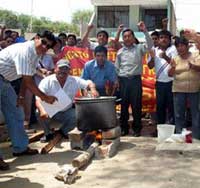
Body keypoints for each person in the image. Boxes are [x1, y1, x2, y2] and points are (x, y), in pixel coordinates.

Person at [0, 30, 57, 170]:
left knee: (16, 113)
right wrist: (45, 97)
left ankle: (20, 148)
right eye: (43, 42)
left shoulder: (35, 55)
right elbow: (28, 81)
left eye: (48, 46)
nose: (44, 47)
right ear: (36, 38)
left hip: (6, 82)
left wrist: (20, 96)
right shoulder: (25, 50)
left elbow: (27, 78)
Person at [36, 59, 99, 142]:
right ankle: (48, 133)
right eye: (61, 68)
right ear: (55, 69)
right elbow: (38, 98)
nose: (63, 71)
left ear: (69, 71)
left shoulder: (74, 80)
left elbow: (89, 82)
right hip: (50, 110)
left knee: (80, 115)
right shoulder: (47, 81)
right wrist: (42, 111)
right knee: (38, 112)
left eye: (66, 69)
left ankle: (62, 132)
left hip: (66, 111)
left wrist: (93, 89)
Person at [115, 21, 153, 136]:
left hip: (135, 80)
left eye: (129, 36)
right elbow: (117, 68)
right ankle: (124, 128)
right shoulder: (120, 52)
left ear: (133, 37)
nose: (127, 38)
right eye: (125, 36)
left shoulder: (139, 48)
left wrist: (145, 31)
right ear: (123, 39)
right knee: (124, 106)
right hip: (123, 81)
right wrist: (117, 81)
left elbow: (150, 45)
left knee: (136, 106)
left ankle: (137, 129)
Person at [168, 37, 200, 139]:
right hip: (178, 90)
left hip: (194, 90)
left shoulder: (195, 55)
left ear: (187, 46)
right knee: (178, 114)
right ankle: (180, 137)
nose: (180, 48)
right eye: (177, 46)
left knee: (195, 114)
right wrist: (173, 67)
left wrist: (193, 66)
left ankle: (196, 137)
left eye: (182, 45)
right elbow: (169, 74)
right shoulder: (175, 59)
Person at [148, 30, 177, 125]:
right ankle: (160, 129)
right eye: (161, 37)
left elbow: (176, 64)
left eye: (166, 38)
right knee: (160, 107)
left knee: (172, 107)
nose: (163, 39)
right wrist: (152, 57)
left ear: (169, 40)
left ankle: (173, 130)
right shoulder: (154, 50)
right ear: (158, 40)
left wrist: (165, 57)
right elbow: (150, 66)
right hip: (160, 83)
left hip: (171, 83)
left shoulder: (173, 49)